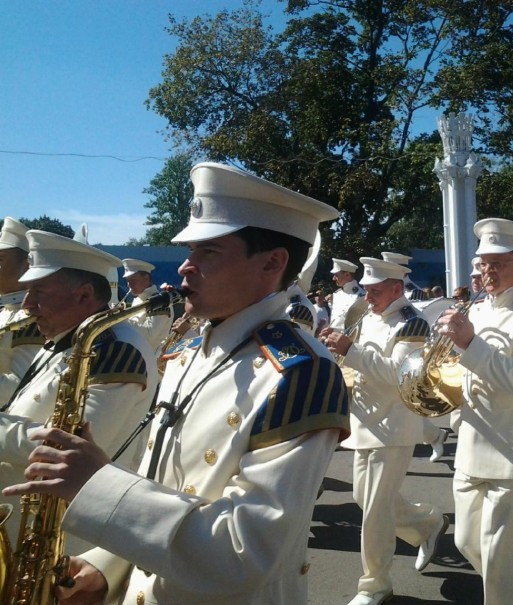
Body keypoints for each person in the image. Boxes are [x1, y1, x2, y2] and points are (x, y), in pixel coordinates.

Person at [3, 162, 351, 604]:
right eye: (189, 252)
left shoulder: (301, 371)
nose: (185, 268)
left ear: (272, 262)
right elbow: (161, 490)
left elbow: (245, 553)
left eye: (208, 253)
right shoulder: (191, 353)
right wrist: (106, 567)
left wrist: (95, 485)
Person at [0, 231, 158, 550]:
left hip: (64, 544)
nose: (28, 305)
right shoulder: (65, 339)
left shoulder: (115, 349)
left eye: (38, 292)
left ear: (85, 296)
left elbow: (72, 449)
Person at [435, 218, 513, 605]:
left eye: (496, 263)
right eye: (483, 264)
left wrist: (470, 342)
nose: (486, 272)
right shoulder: (475, 307)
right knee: (466, 541)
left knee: (500, 563)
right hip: (473, 442)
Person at [322, 257, 449, 605]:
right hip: (365, 421)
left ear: (396, 288)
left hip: (393, 425)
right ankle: (427, 522)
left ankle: (374, 585)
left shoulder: (413, 324)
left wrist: (350, 351)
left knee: (375, 510)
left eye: (375, 291)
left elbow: (401, 374)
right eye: (365, 289)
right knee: (364, 500)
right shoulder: (367, 317)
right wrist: (336, 349)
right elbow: (357, 364)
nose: (368, 295)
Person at [380, 250, 448, 463]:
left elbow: (423, 321)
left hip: (410, 347)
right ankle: (435, 435)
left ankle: (435, 436)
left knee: (406, 405)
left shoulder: (415, 292)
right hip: (387, 344)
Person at [0, 216, 44, 403]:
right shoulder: (6, 310)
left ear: (26, 266)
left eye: (0, 259)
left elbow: (24, 387)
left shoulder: (31, 317)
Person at [121, 258, 175, 352]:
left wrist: (122, 319)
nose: (129, 285)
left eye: (133, 280)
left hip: (151, 358)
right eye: (127, 281)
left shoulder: (160, 301)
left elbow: (149, 336)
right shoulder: (138, 299)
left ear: (146, 279)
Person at [330, 258, 365, 331]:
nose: (333, 278)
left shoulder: (361, 296)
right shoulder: (337, 293)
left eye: (336, 275)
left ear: (347, 275)